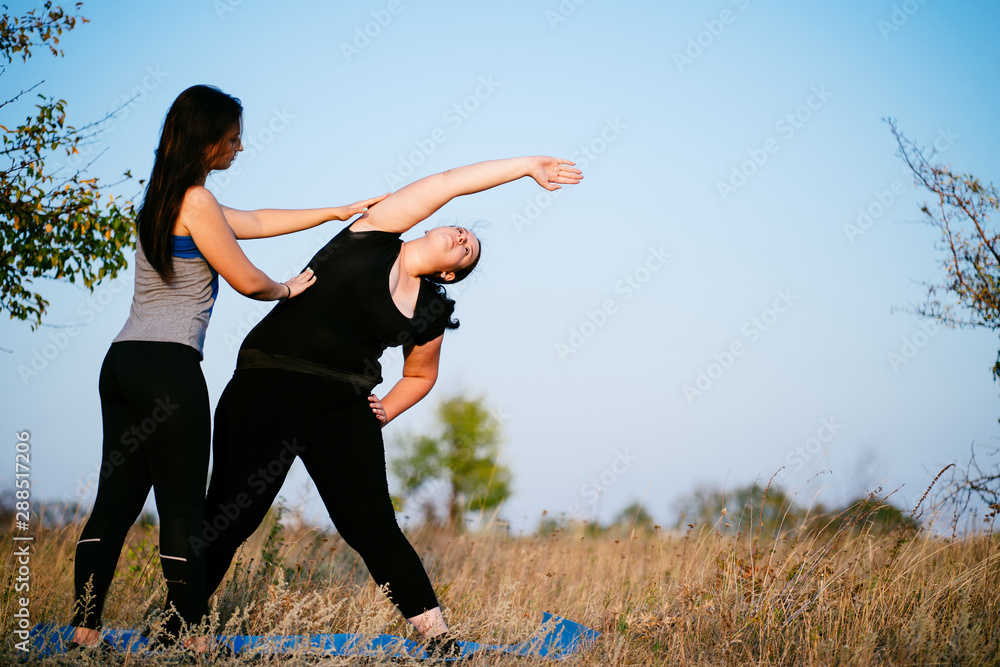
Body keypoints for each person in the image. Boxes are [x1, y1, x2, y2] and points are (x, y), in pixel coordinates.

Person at [197, 155, 582, 652]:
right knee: (231, 517)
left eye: (468, 252)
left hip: (342, 408)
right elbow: (449, 183)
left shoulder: (430, 309)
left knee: (372, 527)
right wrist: (527, 166)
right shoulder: (374, 232)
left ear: (451, 271)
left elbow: (420, 374)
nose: (463, 239)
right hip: (266, 385)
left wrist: (390, 407)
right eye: (463, 232)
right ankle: (176, 628)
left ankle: (438, 640)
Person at [69, 84, 387, 650]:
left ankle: (84, 633)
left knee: (113, 505)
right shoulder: (197, 201)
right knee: (185, 510)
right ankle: (193, 640)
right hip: (169, 367)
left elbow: (258, 219)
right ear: (208, 138)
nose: (240, 146)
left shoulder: (163, 198)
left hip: (122, 365)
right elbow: (245, 278)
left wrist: (333, 212)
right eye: (233, 137)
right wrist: (286, 288)